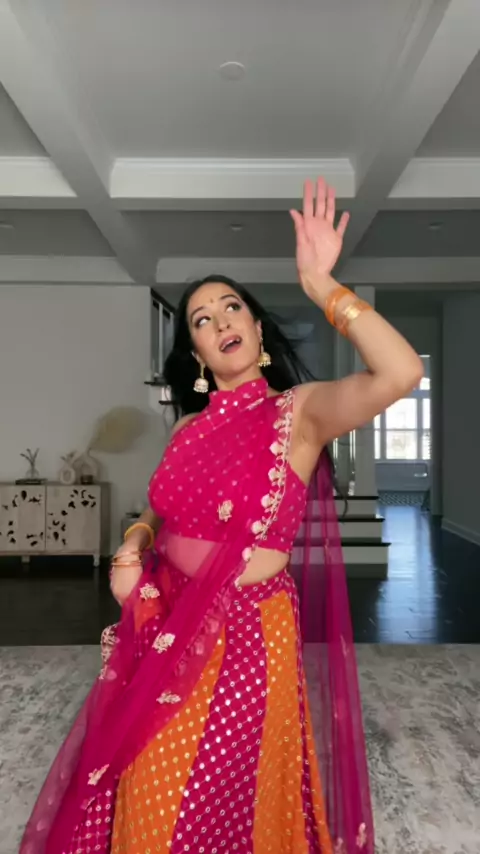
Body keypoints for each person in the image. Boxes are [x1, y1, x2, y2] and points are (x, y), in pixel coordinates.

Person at [21, 178, 423, 854]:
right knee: (143, 790)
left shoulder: (298, 415)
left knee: (219, 794)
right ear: (198, 356)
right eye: (201, 321)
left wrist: (322, 286)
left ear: (257, 330)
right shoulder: (188, 430)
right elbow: (159, 508)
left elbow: (401, 373)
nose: (220, 322)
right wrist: (134, 544)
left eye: (231, 307)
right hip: (165, 619)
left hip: (245, 634)